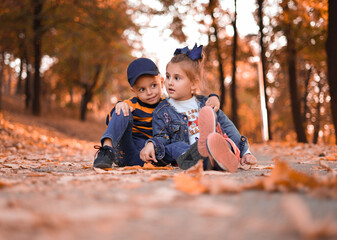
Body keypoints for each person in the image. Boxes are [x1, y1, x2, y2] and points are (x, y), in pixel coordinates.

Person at [140, 44, 257, 172]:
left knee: (224, 141)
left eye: (177, 78)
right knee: (175, 147)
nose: (170, 82)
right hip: (187, 153)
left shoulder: (206, 104)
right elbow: (162, 137)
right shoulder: (162, 111)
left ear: (194, 83)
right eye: (168, 76)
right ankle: (205, 158)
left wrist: (246, 152)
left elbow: (227, 126)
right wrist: (152, 144)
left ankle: (219, 156)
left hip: (212, 146)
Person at [93, 57, 220, 168]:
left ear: (161, 81)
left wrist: (213, 97)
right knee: (122, 110)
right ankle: (106, 151)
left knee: (177, 145)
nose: (149, 92)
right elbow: (111, 120)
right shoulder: (132, 104)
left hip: (155, 155)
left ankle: (200, 159)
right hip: (129, 151)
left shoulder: (169, 105)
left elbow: (189, 98)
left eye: (153, 85)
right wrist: (119, 106)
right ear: (134, 91)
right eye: (142, 89)